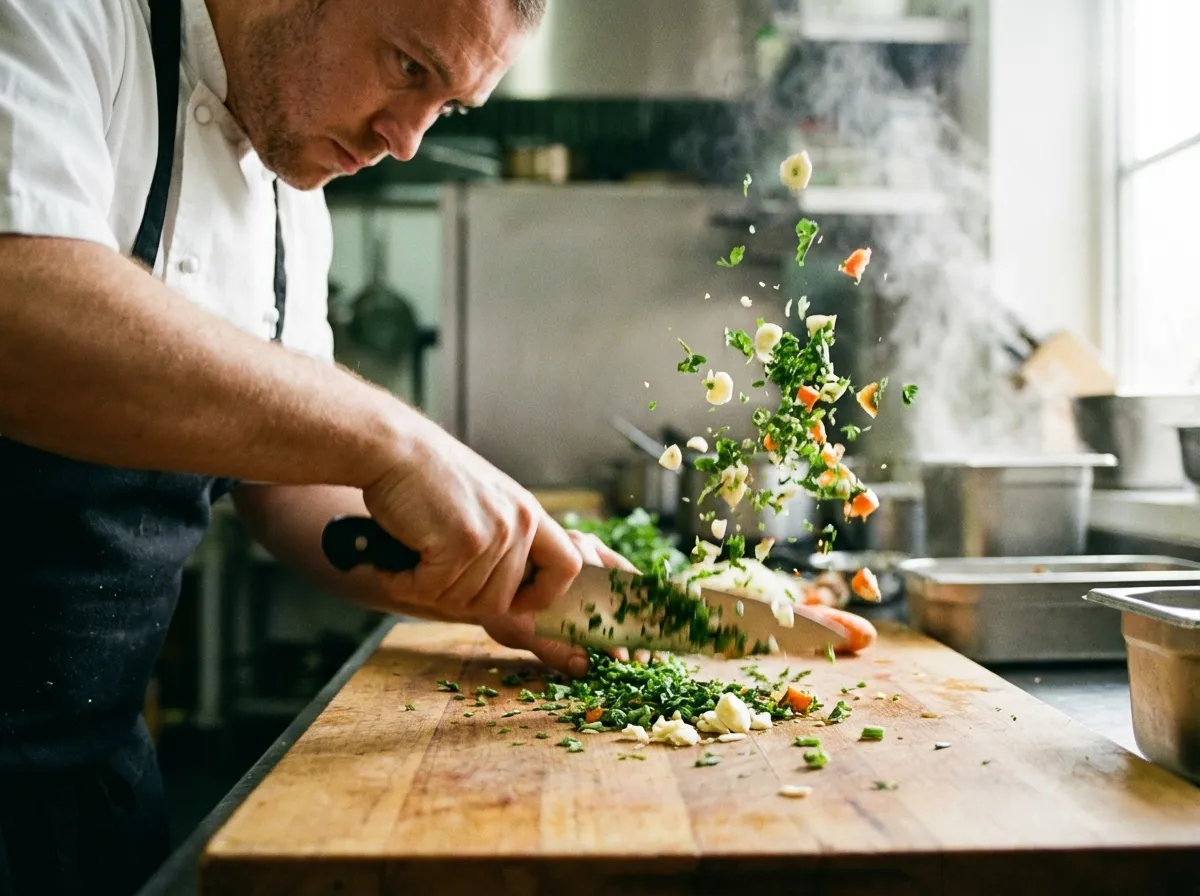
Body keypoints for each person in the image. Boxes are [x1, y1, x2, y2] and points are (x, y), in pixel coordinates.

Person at [0, 1, 635, 893]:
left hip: (92, 776)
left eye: (447, 106)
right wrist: (397, 442)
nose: (407, 140)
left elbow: (288, 481)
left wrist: (487, 572)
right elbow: (20, 310)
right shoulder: (61, 16)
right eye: (409, 67)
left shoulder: (289, 187)